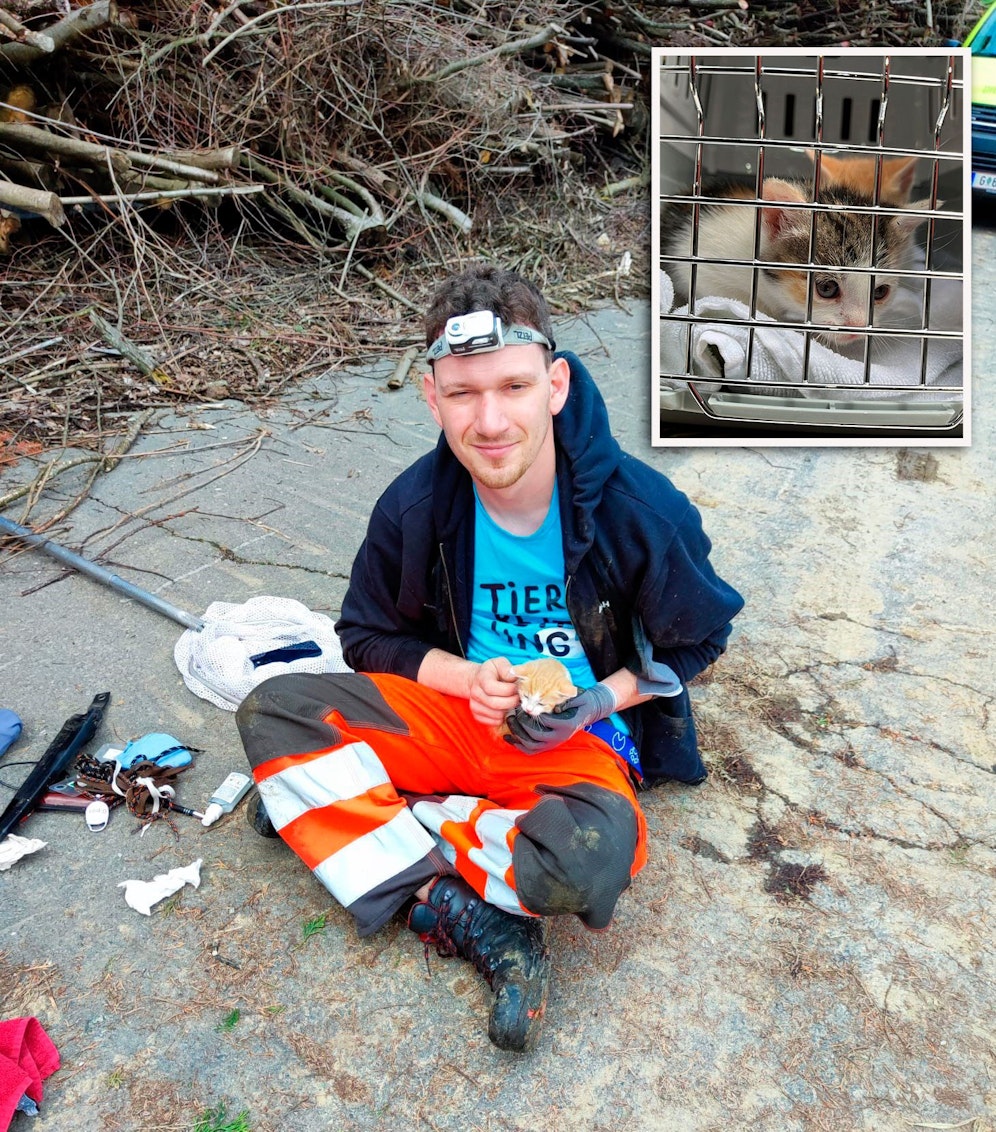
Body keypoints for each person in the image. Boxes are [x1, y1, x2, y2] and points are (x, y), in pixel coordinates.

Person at [235, 264, 744, 1053]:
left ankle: (359, 814)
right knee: (275, 711)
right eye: (464, 394)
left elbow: (699, 638)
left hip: (570, 745)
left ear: (556, 385)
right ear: (433, 398)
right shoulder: (413, 507)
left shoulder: (640, 511)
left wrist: (597, 702)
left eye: (512, 386)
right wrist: (465, 677)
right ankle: (458, 909)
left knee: (590, 860)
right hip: (452, 716)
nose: (491, 419)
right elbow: (366, 636)